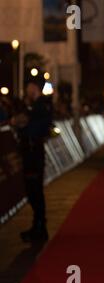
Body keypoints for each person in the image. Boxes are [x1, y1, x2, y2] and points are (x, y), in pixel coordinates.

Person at [11, 78, 52, 242]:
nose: (26, 90)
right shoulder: (36, 106)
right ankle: (38, 225)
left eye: (28, 86)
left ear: (34, 87)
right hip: (31, 152)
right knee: (33, 190)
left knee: (34, 190)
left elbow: (35, 127)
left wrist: (22, 124)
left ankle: (40, 226)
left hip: (33, 152)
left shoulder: (40, 106)